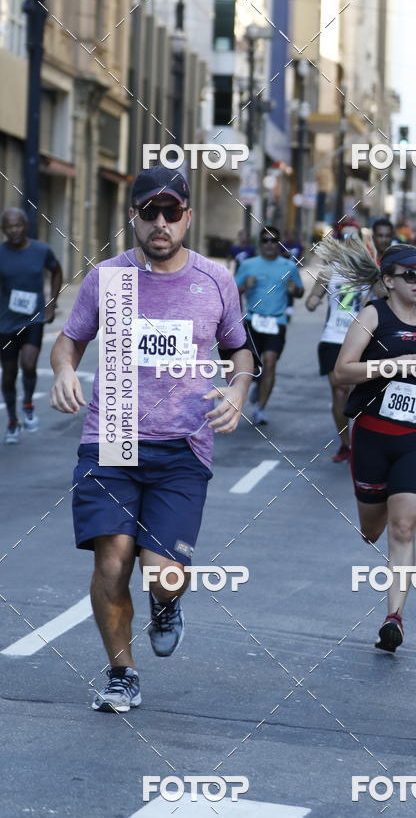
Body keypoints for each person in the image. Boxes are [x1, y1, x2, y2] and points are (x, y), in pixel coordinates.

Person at [50, 166, 254, 713]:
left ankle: (166, 604)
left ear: (187, 216)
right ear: (133, 217)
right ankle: (122, 672)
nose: (159, 223)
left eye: (171, 212)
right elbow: (69, 341)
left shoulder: (215, 280)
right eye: (148, 213)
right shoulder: (109, 278)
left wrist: (238, 389)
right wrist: (65, 370)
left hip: (183, 445)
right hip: (112, 433)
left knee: (163, 576)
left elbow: (241, 351)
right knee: (112, 561)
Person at [321, 239, 416, 651]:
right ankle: (375, 516)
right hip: (373, 437)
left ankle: (394, 617)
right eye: (410, 275)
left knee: (403, 527)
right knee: (372, 530)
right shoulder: (372, 314)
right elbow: (341, 373)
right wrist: (390, 365)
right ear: (388, 281)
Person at [305, 220, 367, 462]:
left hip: (359, 339)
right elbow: (312, 301)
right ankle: (346, 444)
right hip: (332, 338)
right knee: (339, 390)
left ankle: (360, 438)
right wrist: (311, 301)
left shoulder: (368, 271)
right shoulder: (329, 271)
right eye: (346, 239)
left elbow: (380, 298)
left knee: (355, 393)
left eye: (355, 239)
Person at [0, 207, 63, 443]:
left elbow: (56, 271)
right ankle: (13, 422)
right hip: (5, 323)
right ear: (3, 229)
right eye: (8, 226)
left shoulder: (41, 250)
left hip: (33, 319)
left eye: (17, 225)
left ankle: (27, 404)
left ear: (25, 226)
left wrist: (51, 304)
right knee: (8, 375)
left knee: (28, 364)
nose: (13, 230)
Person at [236, 225, 304, 425]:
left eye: (273, 240)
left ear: (279, 244)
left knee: (271, 362)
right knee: (253, 367)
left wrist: (294, 290)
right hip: (252, 320)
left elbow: (299, 291)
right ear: (260, 243)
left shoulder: (288, 267)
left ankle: (260, 408)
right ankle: (258, 384)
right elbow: (232, 290)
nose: (269, 244)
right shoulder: (248, 265)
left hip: (276, 321)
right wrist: (244, 286)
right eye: (265, 240)